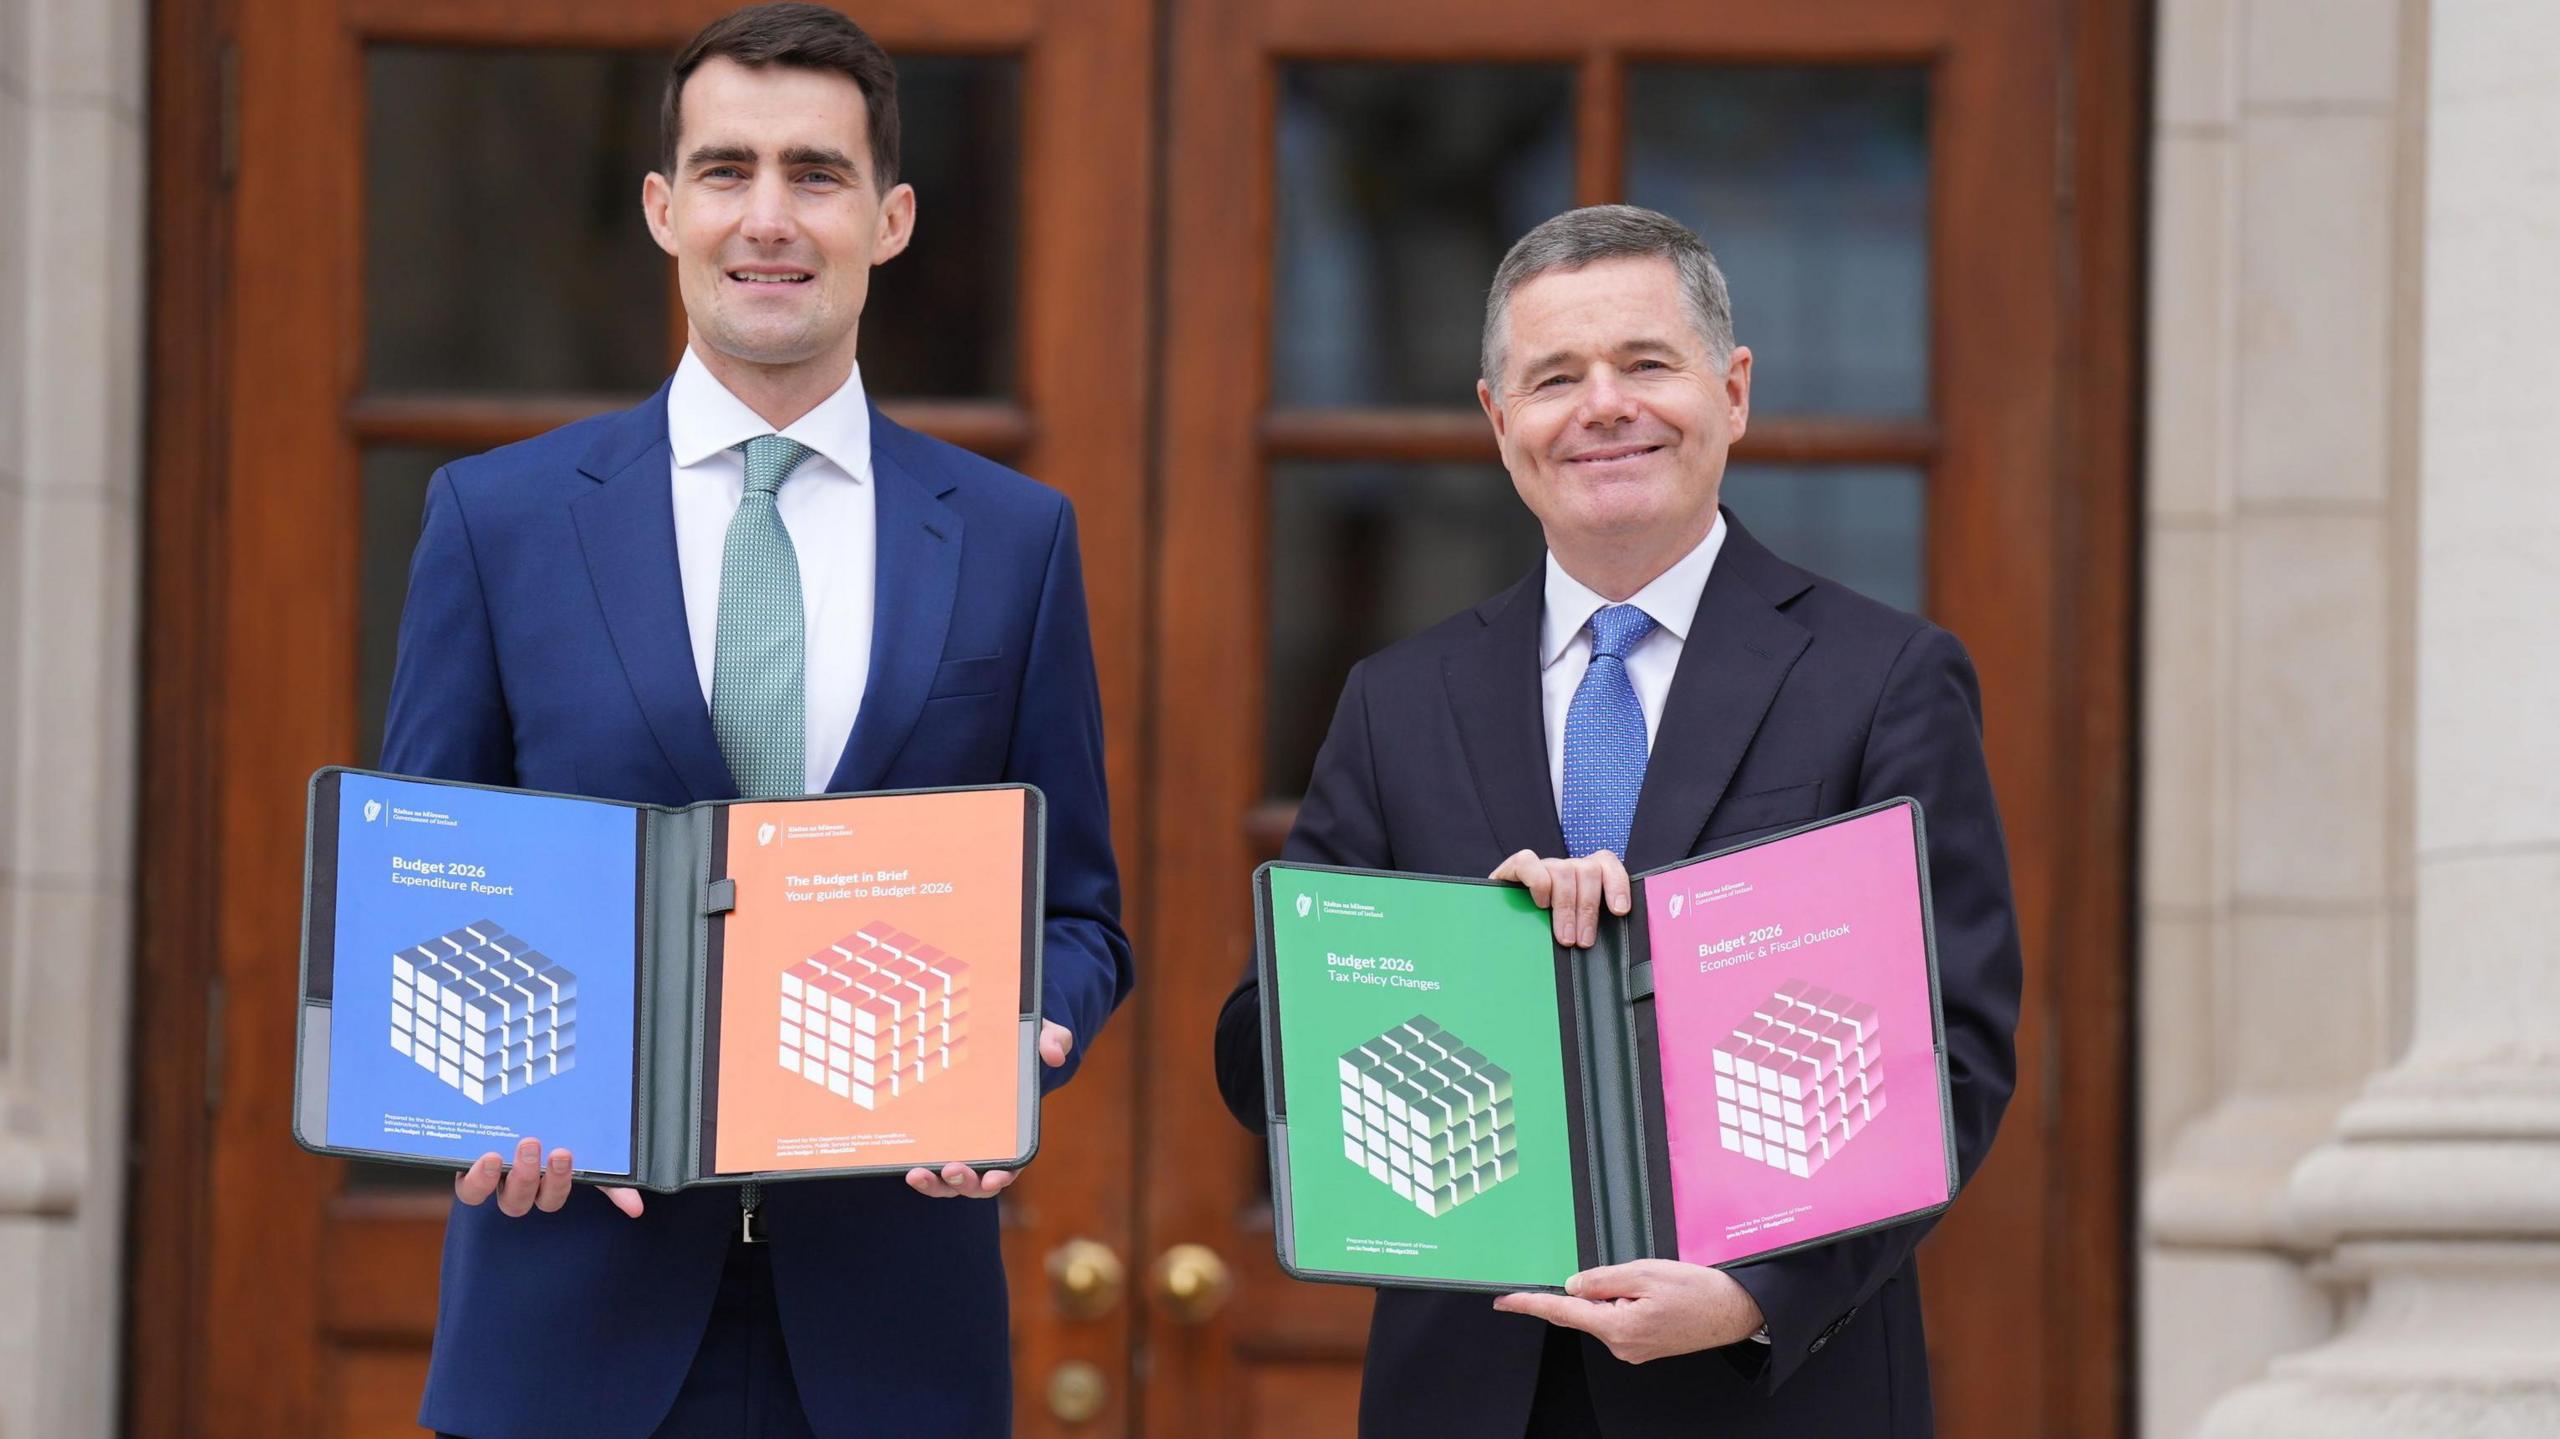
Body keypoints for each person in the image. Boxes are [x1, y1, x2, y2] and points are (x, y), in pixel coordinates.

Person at [379, 6, 1132, 1435]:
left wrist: (1027, 1031)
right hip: (563, 1322)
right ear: (665, 209)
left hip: (892, 1341)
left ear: (891, 218)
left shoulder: (1016, 540)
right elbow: (432, 881)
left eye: (817, 174)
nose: (769, 219)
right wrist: (474, 1097)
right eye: (727, 171)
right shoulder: (500, 520)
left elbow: (1079, 913)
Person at [1212, 204, 2022, 1436]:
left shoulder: (1884, 678)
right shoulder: (1397, 699)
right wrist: (1454, 951)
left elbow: (1955, 1052)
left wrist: (1755, 1294)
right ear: (1498, 421)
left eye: (1646, 363)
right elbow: (1257, 1045)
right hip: (1468, 1392)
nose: (1603, 406)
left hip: (1773, 1391)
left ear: (1732, 391)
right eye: (1554, 377)